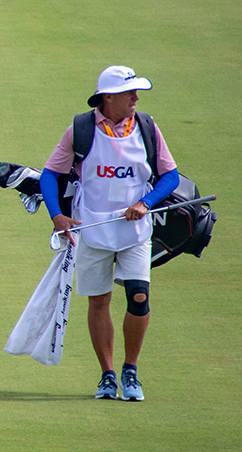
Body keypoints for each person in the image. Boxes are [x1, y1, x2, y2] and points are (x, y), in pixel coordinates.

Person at [39, 66, 179, 402]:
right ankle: (107, 374)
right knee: (99, 300)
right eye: (129, 93)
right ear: (108, 98)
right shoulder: (81, 130)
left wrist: (146, 203)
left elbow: (170, 177)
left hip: (134, 230)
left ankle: (131, 370)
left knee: (139, 297)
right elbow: (49, 175)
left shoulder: (146, 127)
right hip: (92, 227)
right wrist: (57, 215)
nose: (135, 99)